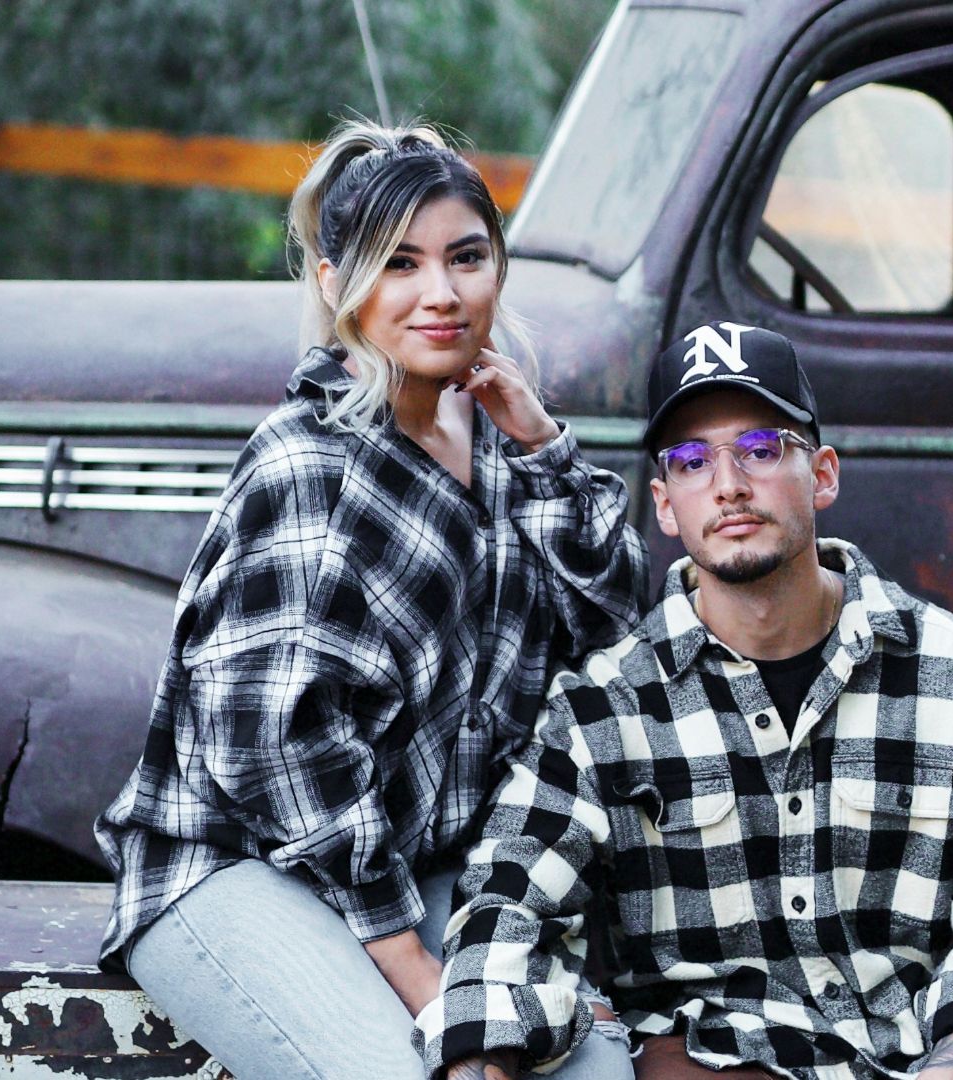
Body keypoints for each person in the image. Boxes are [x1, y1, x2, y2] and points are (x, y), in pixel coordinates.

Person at [94, 120, 647, 1080]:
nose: (441, 294)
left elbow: (609, 628)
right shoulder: (313, 465)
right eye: (399, 264)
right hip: (242, 867)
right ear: (333, 282)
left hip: (421, 866)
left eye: (466, 257)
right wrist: (420, 973)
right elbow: (274, 750)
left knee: (596, 1073)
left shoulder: (501, 440)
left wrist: (550, 447)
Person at [419, 322, 953, 1080]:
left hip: (921, 1052)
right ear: (665, 503)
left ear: (822, 474)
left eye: (760, 449)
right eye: (691, 461)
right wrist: (482, 1059)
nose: (728, 485)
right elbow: (508, 909)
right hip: (719, 1059)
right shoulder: (604, 710)